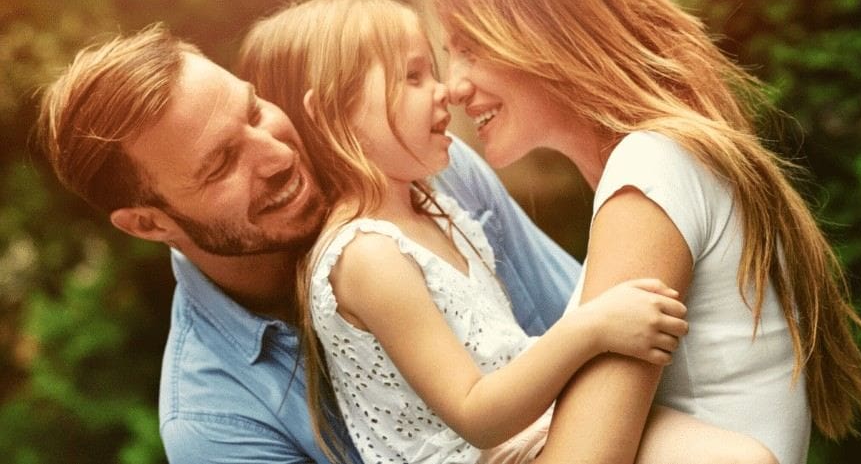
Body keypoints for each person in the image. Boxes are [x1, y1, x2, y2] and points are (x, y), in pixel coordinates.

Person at [420, 0, 861, 464]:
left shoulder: (649, 169)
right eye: (447, 56)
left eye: (471, 47)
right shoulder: (676, 158)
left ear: (548, 31)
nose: (452, 86)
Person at [237, 0, 778, 464]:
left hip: (531, 435)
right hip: (493, 452)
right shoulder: (366, 256)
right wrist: (591, 329)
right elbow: (475, 413)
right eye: (412, 76)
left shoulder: (432, 209)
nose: (445, 90)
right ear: (334, 112)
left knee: (745, 456)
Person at [34, 23, 582, 464]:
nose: (276, 155)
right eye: (222, 163)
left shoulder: (414, 174)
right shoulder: (218, 426)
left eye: (253, 111)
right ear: (148, 224)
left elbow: (591, 313)